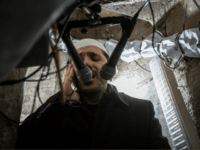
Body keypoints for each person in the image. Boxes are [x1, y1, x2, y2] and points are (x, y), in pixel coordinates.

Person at [15, 38, 172, 150]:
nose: (86, 64)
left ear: (110, 68)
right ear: (70, 70)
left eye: (95, 58)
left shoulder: (141, 110)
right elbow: (21, 141)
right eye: (78, 61)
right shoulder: (56, 111)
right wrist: (60, 100)